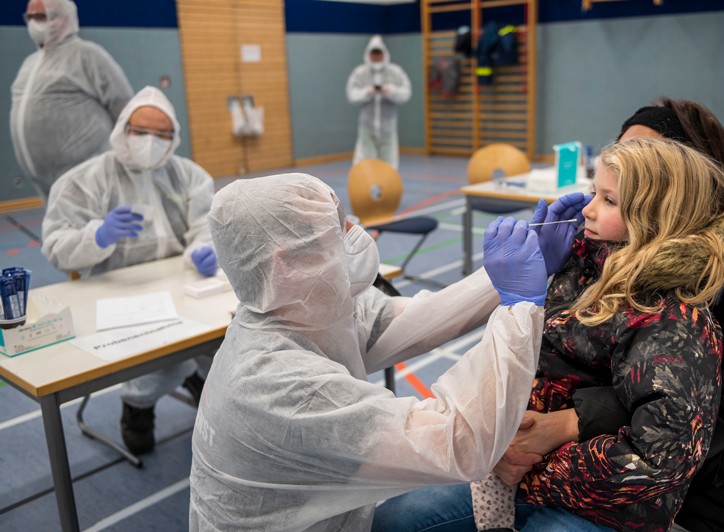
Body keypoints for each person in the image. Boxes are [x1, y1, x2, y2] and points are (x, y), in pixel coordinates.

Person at [372, 138, 724, 531]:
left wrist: (536, 465)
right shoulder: (582, 267)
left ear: (656, 218)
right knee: (392, 520)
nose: (588, 209)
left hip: (603, 505)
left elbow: (660, 456)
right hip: (517, 469)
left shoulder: (674, 319)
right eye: (594, 192)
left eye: (609, 201)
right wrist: (499, 438)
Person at [488, 99, 724, 532]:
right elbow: (563, 356)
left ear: (680, 179)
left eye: (645, 160)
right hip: (592, 463)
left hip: (721, 489)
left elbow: (712, 409)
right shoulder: (609, 248)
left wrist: (569, 425)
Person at [188, 172, 562, 531]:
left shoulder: (301, 309)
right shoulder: (277, 384)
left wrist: (511, 275)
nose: (356, 232)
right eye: (338, 228)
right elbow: (459, 443)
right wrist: (520, 307)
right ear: (285, 263)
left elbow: (414, 321)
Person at [41, 86, 219, 455]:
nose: (150, 142)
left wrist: (203, 249)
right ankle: (138, 405)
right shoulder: (83, 180)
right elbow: (56, 246)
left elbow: (205, 222)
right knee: (160, 353)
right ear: (123, 128)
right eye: (141, 132)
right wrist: (98, 235)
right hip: (115, 296)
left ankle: (198, 375)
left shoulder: (189, 175)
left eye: (162, 134)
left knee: (221, 336)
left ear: (174, 138)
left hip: (182, 288)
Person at [10, 0, 134, 202]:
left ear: (63, 18)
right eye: (29, 17)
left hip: (90, 177)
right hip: (44, 181)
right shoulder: (30, 64)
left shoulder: (87, 54)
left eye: (40, 16)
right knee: (65, 231)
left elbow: (124, 107)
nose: (33, 23)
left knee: (100, 229)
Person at [346, 35, 411, 170]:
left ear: (384, 55)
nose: (376, 58)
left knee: (389, 164)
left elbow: (405, 93)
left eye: (379, 54)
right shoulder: (360, 73)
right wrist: (366, 92)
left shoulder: (395, 72)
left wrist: (391, 91)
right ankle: (363, 188)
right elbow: (352, 95)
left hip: (388, 127)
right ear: (368, 55)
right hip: (366, 128)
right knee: (363, 162)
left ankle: (388, 189)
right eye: (373, 54)